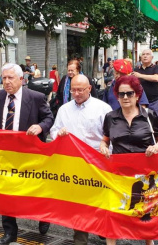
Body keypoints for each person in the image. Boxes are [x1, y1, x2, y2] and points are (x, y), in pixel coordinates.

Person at [0, 63, 54, 245]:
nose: (7, 82)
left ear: (21, 79)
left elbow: (49, 118)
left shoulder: (36, 97)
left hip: (29, 154)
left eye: (11, 78)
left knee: (34, 190)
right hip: (5, 153)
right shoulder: (0, 95)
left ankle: (43, 216)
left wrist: (40, 126)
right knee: (6, 193)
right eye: (4, 78)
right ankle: (10, 232)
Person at [100, 75, 158, 245]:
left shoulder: (149, 115)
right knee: (113, 214)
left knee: (145, 215)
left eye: (129, 94)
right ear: (117, 96)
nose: (125, 98)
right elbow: (105, 138)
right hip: (118, 174)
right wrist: (103, 146)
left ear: (137, 95)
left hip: (145, 174)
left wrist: (156, 147)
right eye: (121, 94)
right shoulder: (110, 117)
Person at [50, 75, 112, 245]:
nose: (76, 94)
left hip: (97, 163)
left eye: (80, 90)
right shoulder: (64, 109)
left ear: (89, 89)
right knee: (79, 204)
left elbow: (111, 136)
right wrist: (58, 134)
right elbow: (53, 131)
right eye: (73, 90)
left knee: (100, 202)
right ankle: (80, 239)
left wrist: (105, 148)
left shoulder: (103, 109)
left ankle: (102, 230)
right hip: (74, 165)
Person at [131, 49, 158, 118]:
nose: (145, 56)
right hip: (140, 102)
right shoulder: (136, 69)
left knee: (155, 122)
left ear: (152, 57)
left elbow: (156, 78)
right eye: (143, 54)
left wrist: (140, 76)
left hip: (154, 101)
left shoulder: (156, 68)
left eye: (147, 54)